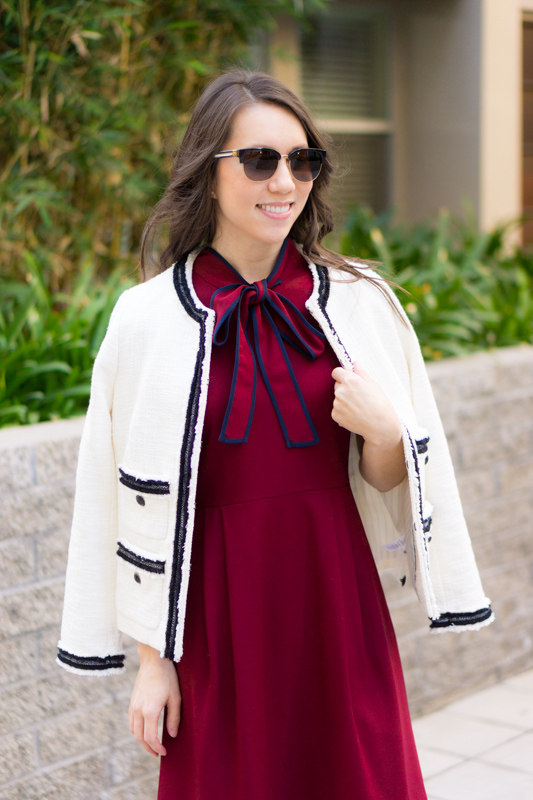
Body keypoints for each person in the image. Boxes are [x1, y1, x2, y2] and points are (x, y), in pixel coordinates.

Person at [57, 70, 493, 800]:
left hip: (335, 604)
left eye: (303, 160)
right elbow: (118, 498)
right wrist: (152, 663)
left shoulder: (359, 303)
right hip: (214, 624)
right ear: (210, 169)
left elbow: (386, 477)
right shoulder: (148, 320)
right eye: (260, 160)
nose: (283, 181)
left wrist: (387, 430)